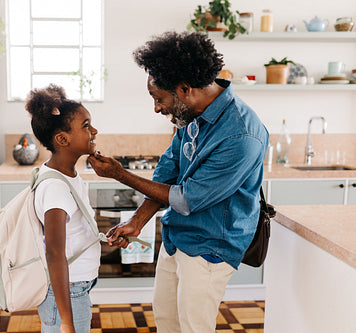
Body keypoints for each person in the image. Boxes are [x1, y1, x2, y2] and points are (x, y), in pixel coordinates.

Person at [87, 31, 269, 333]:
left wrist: (120, 174)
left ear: (184, 89)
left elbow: (187, 198)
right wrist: (137, 220)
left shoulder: (242, 135)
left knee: (194, 327)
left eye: (159, 98)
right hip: (178, 238)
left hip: (212, 247)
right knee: (167, 321)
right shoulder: (192, 116)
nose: (157, 108)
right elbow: (167, 172)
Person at [26, 84, 100, 333]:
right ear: (62, 139)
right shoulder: (56, 187)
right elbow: (54, 253)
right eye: (86, 126)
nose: (94, 131)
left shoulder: (67, 175)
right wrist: (67, 321)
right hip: (68, 291)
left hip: (75, 286)